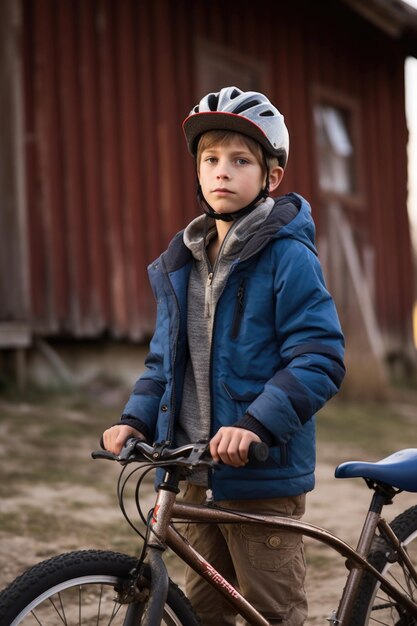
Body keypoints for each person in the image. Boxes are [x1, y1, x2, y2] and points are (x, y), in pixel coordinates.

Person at [102, 86, 345, 625]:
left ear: (271, 177)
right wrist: (135, 418)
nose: (222, 172)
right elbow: (164, 362)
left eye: (240, 161)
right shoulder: (181, 262)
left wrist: (257, 423)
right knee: (202, 611)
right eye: (210, 159)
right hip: (192, 469)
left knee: (271, 612)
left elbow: (320, 355)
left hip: (259, 478)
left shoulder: (288, 255)